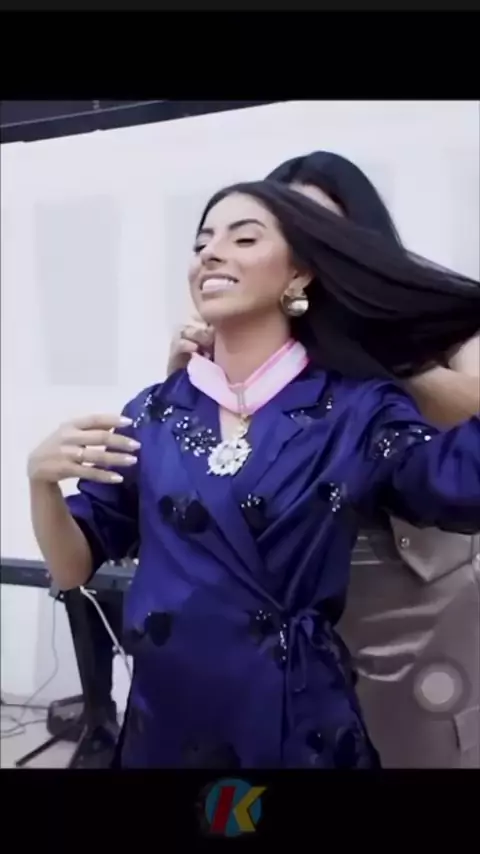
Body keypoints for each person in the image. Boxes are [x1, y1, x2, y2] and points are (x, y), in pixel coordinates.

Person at [27, 178, 480, 768]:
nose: (212, 254)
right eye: (202, 243)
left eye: (244, 239)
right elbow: (73, 566)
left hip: (293, 723)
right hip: (164, 724)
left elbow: (459, 483)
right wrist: (41, 484)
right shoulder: (155, 412)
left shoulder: (355, 410)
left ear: (299, 275)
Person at [166, 152, 480, 768]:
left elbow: (470, 408)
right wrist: (191, 380)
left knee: (423, 744)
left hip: (415, 584)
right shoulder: (266, 334)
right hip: (291, 587)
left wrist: (357, 355)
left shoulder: (438, 319)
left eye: (320, 225)